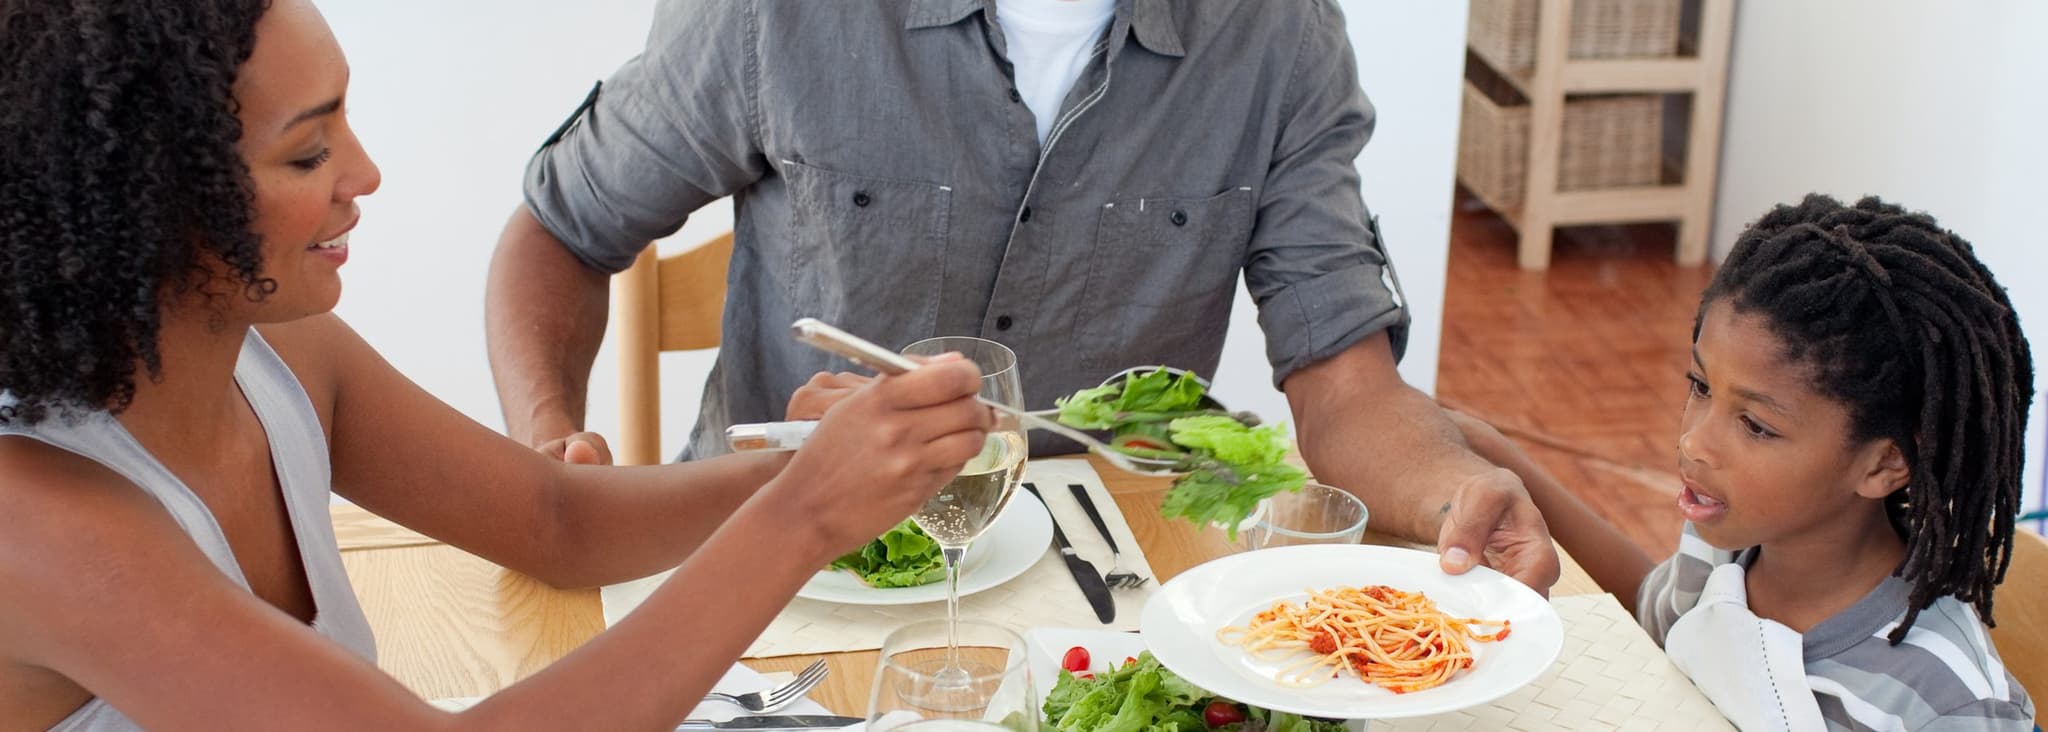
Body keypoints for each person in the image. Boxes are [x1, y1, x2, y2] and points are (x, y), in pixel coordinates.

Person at [0, 1, 993, 728]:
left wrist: (801, 466)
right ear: (148, 207)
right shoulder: (37, 523)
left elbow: (553, 521)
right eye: (308, 154)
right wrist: (805, 513)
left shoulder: (280, 354)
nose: (365, 174)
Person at [484, 0, 1562, 591]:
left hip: (1103, 570)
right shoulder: (776, 16)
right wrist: (545, 434)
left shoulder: (1278, 39)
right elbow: (560, 232)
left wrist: (1446, 497)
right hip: (775, 554)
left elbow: (1345, 387)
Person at [1449, 195, 2037, 730]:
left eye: (1756, 425)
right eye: (1700, 386)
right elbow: (1650, 616)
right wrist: (1498, 457)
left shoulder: (1948, 705)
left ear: (1884, 464)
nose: (1694, 444)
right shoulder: (1725, 542)